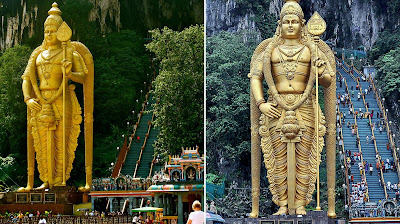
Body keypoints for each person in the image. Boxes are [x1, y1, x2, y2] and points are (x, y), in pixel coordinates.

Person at [249, 0, 335, 215]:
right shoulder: (271, 50)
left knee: (304, 158)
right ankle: (283, 204)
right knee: (277, 160)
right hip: (275, 108)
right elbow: (255, 77)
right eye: (286, 21)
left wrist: (321, 70)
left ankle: (300, 205)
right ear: (280, 24)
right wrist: (262, 104)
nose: (290, 25)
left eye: (294, 21)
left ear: (302, 24)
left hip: (305, 107)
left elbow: (327, 81)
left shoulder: (311, 49)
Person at [19, 3, 93, 191]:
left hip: (62, 100)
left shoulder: (69, 53)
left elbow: (83, 77)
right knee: (41, 143)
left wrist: (69, 73)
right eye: (46, 31)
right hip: (41, 101)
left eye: (53, 30)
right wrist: (28, 98)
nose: (49, 34)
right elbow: (26, 79)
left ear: (61, 32)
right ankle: (44, 180)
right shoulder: (37, 55)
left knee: (63, 142)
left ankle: (61, 180)